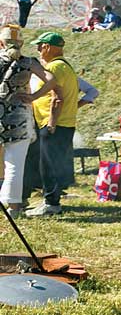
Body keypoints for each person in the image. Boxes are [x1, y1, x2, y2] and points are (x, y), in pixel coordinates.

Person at [0, 25, 56, 216]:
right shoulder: (29, 62)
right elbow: (51, 79)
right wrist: (34, 96)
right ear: (21, 43)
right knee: (15, 163)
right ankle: (14, 207)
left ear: (1, 43)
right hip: (19, 118)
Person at [24, 32, 79, 217]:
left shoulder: (54, 68)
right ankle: (51, 201)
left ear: (48, 46)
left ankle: (51, 204)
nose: (38, 50)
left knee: (48, 165)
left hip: (54, 124)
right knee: (54, 164)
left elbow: (57, 99)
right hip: (65, 123)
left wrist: (51, 123)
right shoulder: (65, 66)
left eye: (40, 46)